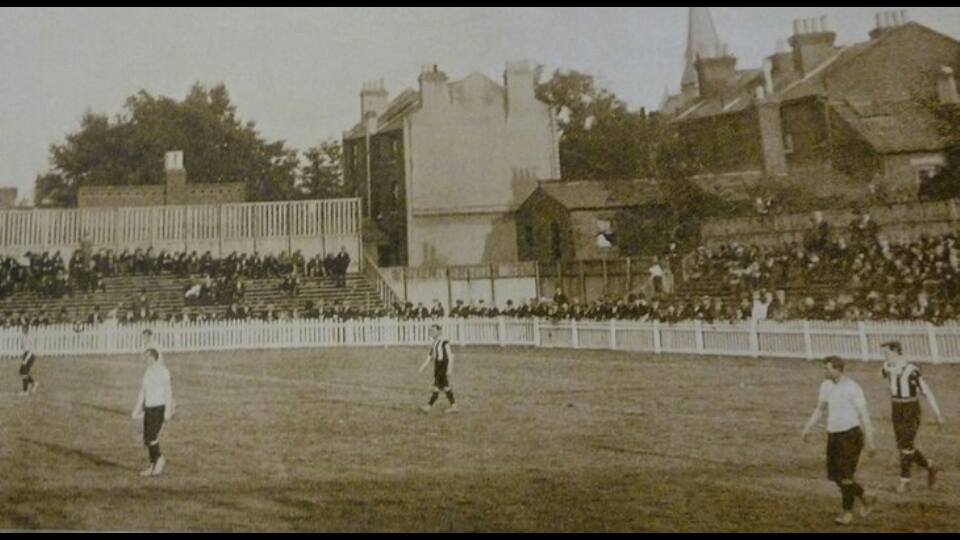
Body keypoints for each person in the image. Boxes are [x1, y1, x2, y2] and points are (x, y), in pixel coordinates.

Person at [801, 356, 876, 526]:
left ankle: (847, 513)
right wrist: (807, 427)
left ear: (838, 369)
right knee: (835, 477)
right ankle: (865, 498)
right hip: (834, 436)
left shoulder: (852, 388)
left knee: (846, 477)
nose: (825, 372)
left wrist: (870, 440)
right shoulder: (825, 386)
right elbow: (820, 409)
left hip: (851, 436)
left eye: (827, 369)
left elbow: (864, 414)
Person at [880, 341, 944, 493]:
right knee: (903, 446)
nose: (885, 356)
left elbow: (926, 391)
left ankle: (905, 480)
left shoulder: (911, 370)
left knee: (906, 444)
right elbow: (887, 378)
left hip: (911, 408)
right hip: (896, 408)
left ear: (896, 352)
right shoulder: (886, 367)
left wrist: (938, 414)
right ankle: (930, 466)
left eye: (887, 353)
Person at [131, 347, 175, 477]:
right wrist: (136, 409)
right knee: (147, 438)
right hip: (149, 408)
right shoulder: (147, 372)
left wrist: (168, 411)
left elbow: (168, 392)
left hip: (159, 407)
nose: (144, 359)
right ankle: (153, 465)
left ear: (153, 357)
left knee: (152, 437)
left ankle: (160, 459)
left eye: (147, 357)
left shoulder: (163, 371)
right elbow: (142, 392)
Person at [418, 324, 458, 414]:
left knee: (436, 386)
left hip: (443, 365)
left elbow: (451, 356)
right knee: (445, 387)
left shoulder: (444, 341)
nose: (431, 332)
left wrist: (449, 369)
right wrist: (423, 366)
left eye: (433, 330)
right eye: (430, 330)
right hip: (437, 365)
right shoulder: (434, 343)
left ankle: (428, 406)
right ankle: (454, 406)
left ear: (439, 331)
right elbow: (430, 356)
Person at [19, 325, 38, 396]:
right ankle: (34, 383)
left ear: (28, 329)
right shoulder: (24, 336)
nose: (24, 330)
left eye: (25, 329)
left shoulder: (30, 337)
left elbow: (31, 350)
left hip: (30, 356)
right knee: (21, 371)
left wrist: (26, 359)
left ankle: (25, 391)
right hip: (26, 355)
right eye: (23, 329)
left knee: (24, 373)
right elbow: (24, 347)